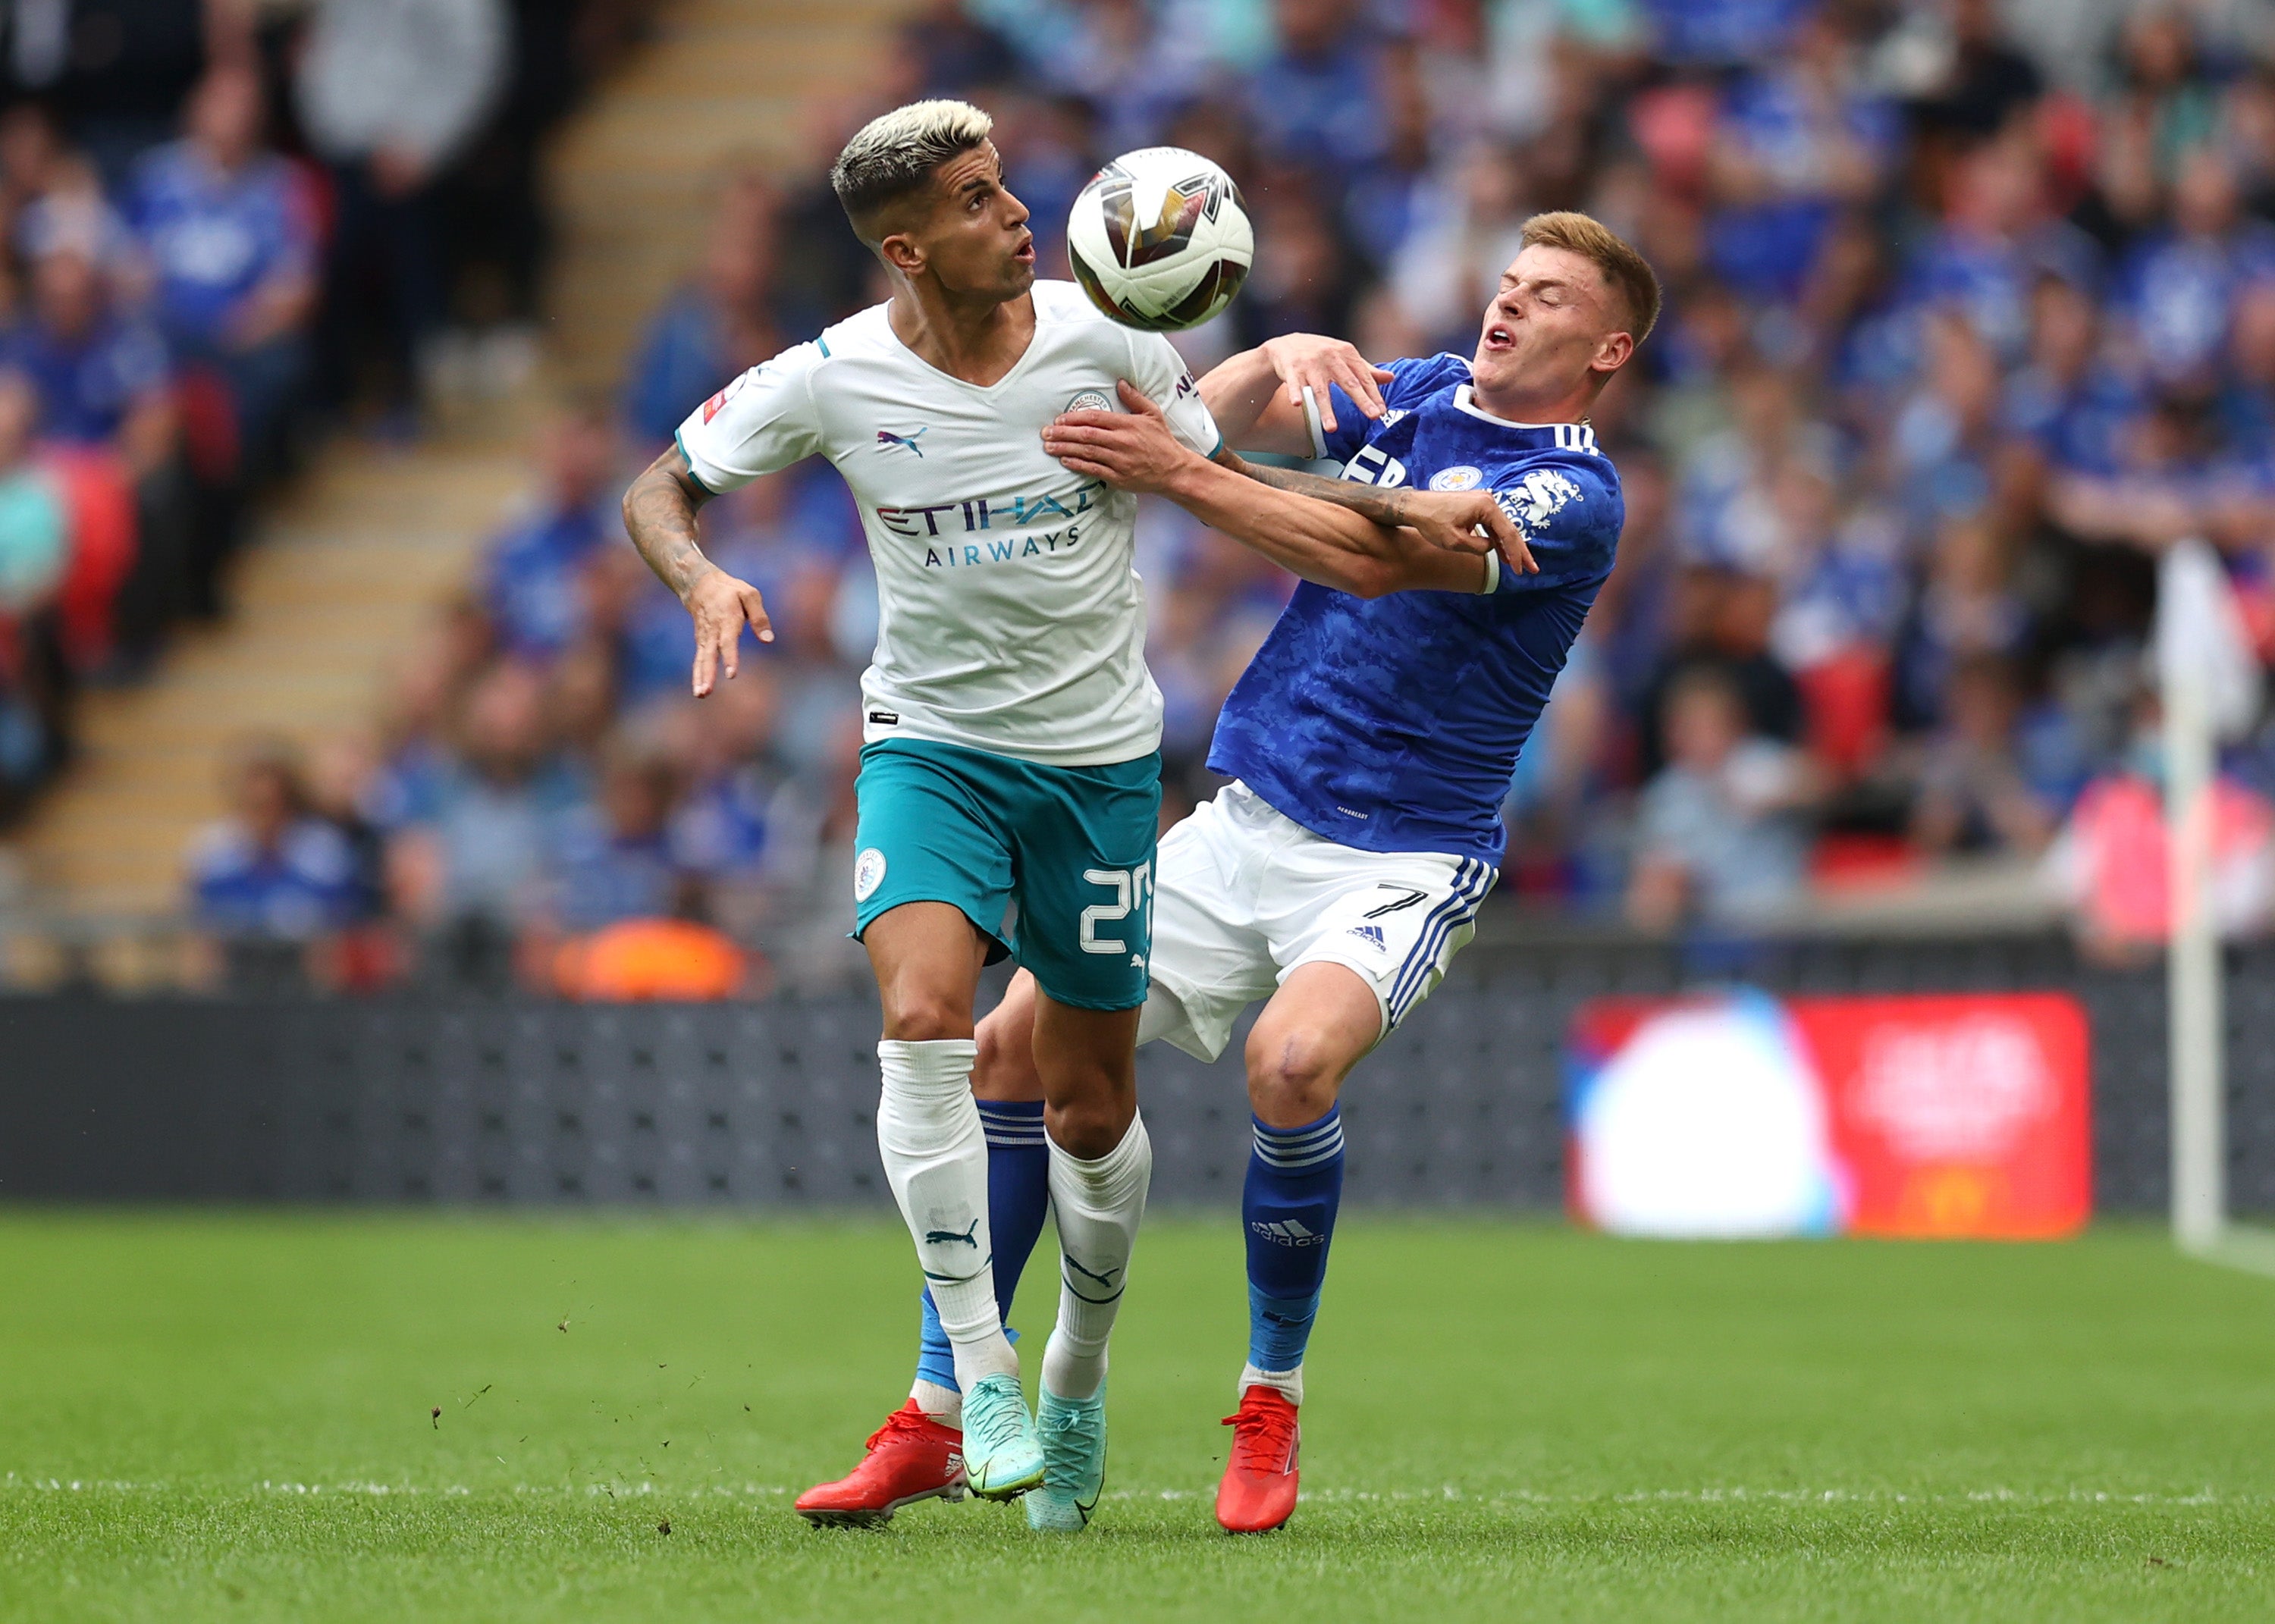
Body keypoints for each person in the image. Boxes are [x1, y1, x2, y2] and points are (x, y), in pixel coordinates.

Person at [622, 100, 1520, 1532]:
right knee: (928, 1022)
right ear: (908, 249)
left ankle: (1075, 1373)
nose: (1020, 217)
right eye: (979, 203)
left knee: (1091, 1107)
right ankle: (975, 1382)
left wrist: (1405, 522)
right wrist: (699, 578)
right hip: (930, 747)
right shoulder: (830, 376)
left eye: (1007, 188)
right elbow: (660, 484)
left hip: (1098, 769)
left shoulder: (1105, 343)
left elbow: (1211, 480)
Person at [808, 209, 1656, 1535]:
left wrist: (1179, 471)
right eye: (1505, 281)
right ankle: (937, 1405)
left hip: (1401, 855)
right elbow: (1183, 429)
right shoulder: (1419, 393)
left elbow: (1374, 557)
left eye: (1546, 298)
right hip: (1245, 819)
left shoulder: (1575, 494)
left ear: (1605, 349)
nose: (1505, 305)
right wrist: (1272, 358)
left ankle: (1270, 1399)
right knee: (1004, 1055)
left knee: (1291, 1062)